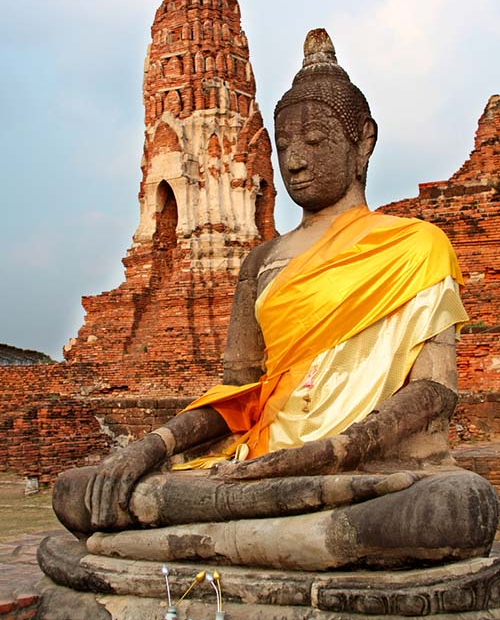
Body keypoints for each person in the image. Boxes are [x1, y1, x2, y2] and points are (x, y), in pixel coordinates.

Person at [53, 30, 498, 568]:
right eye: (283, 146)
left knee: (453, 506)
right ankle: (278, 543)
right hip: (260, 467)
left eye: (314, 141)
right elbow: (241, 390)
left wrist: (335, 451)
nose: (295, 161)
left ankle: (144, 549)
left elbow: (434, 390)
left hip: (360, 468)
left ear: (364, 143)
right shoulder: (262, 261)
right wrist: (154, 446)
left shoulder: (414, 245)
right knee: (80, 492)